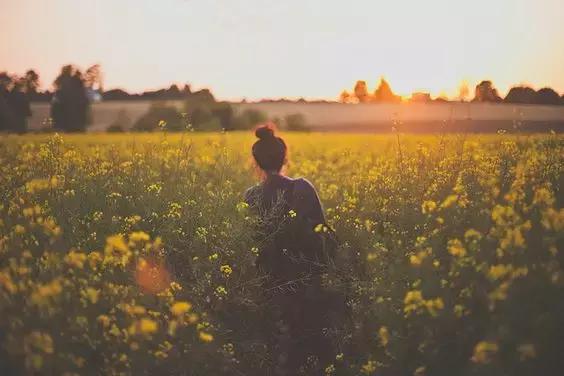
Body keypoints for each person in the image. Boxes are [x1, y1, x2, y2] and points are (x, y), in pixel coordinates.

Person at [245, 124, 344, 375]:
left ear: (255, 162)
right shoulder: (302, 188)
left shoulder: (250, 196)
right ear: (285, 157)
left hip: (269, 284)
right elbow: (324, 236)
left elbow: (250, 243)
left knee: (277, 348)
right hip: (306, 282)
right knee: (311, 347)